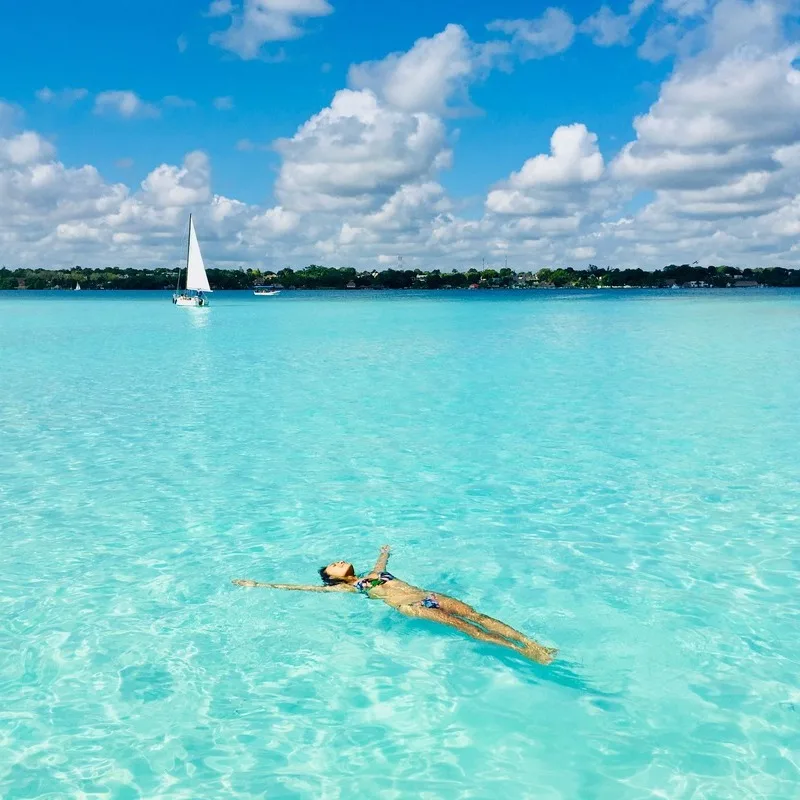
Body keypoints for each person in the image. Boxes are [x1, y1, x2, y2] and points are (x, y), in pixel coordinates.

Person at [232, 546, 556, 664]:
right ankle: (522, 651)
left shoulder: (373, 573)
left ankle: (532, 642)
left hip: (433, 595)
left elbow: (381, 558)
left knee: (478, 616)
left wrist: (386, 551)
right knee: (467, 628)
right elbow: (303, 588)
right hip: (414, 606)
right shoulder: (351, 588)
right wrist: (258, 584)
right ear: (332, 578)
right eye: (334, 564)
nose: (339, 560)